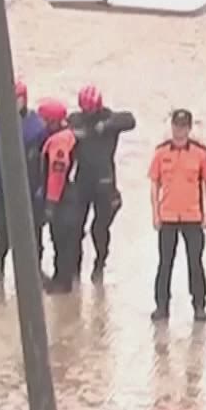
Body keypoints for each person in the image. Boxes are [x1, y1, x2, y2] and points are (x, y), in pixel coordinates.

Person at [147, 108, 206, 323]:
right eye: (177, 126)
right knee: (165, 263)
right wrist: (155, 214)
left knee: (195, 263)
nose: (180, 130)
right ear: (172, 127)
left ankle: (199, 305)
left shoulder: (200, 153)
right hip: (167, 215)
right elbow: (154, 184)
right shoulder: (161, 152)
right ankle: (161, 306)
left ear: (189, 127)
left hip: (192, 215)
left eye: (184, 126)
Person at [0, 81, 48, 283]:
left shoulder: (37, 126)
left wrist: (43, 185)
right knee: (2, 232)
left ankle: (36, 270)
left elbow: (46, 156)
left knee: (35, 232)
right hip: (4, 189)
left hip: (31, 187)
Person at [67, 85, 136, 280]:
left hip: (105, 182)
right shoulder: (76, 120)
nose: (88, 113)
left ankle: (99, 263)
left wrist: (106, 126)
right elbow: (62, 126)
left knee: (99, 228)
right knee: (75, 227)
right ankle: (74, 269)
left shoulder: (108, 118)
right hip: (82, 182)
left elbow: (130, 120)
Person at [39, 99, 79, 291]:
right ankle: (63, 278)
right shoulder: (69, 134)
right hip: (72, 195)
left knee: (61, 238)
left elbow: (57, 172)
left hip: (64, 198)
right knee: (65, 239)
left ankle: (62, 282)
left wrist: (50, 203)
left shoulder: (59, 141)